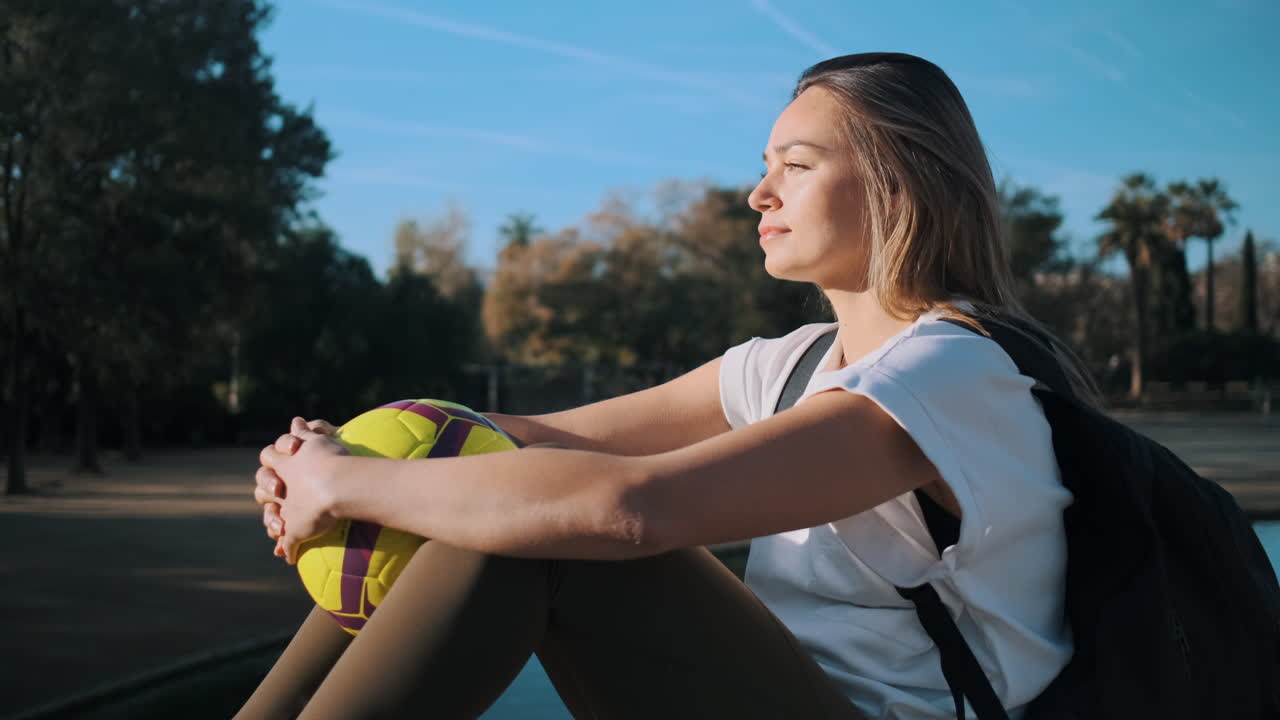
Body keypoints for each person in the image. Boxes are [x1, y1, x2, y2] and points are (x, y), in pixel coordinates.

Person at [240, 52, 1098, 720]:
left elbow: (632, 508)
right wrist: (323, 456)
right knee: (485, 483)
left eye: (796, 165)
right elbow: (537, 437)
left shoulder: (954, 372)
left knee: (531, 528)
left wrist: (349, 484)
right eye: (764, 164)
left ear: (896, 181)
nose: (758, 192)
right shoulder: (791, 363)